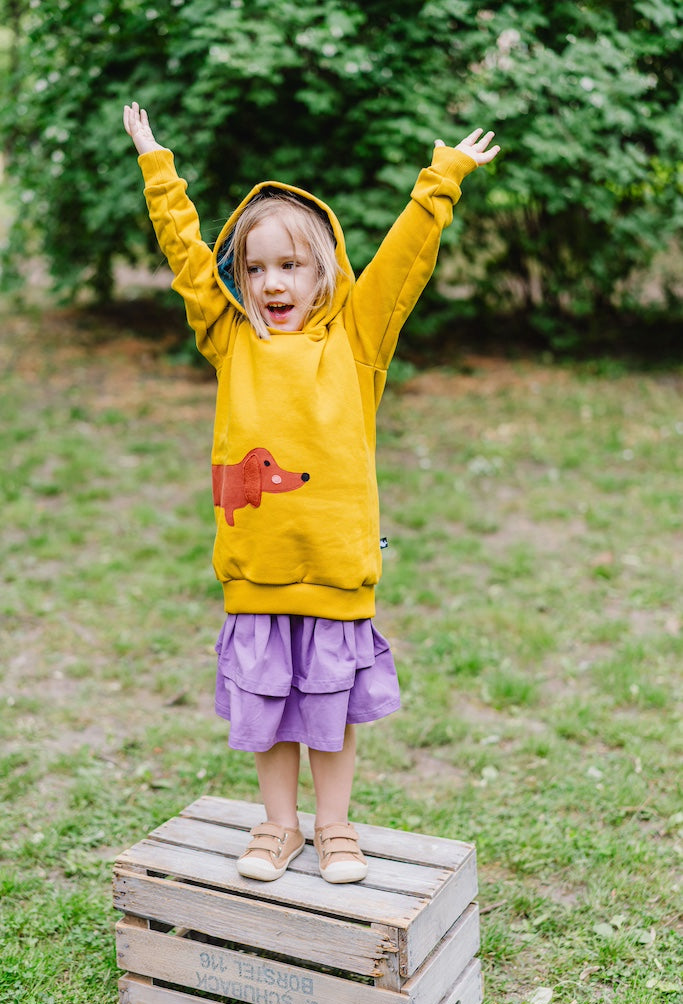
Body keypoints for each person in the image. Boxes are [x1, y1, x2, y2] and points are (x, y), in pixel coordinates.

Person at [123, 100, 499, 884]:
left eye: (289, 265)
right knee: (267, 708)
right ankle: (278, 826)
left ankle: (334, 829)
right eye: (254, 268)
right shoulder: (230, 339)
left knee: (328, 711)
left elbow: (403, 263)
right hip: (256, 569)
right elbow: (188, 258)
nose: (270, 283)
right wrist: (158, 169)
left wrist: (442, 181)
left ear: (323, 267)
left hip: (333, 569)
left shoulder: (358, 339)